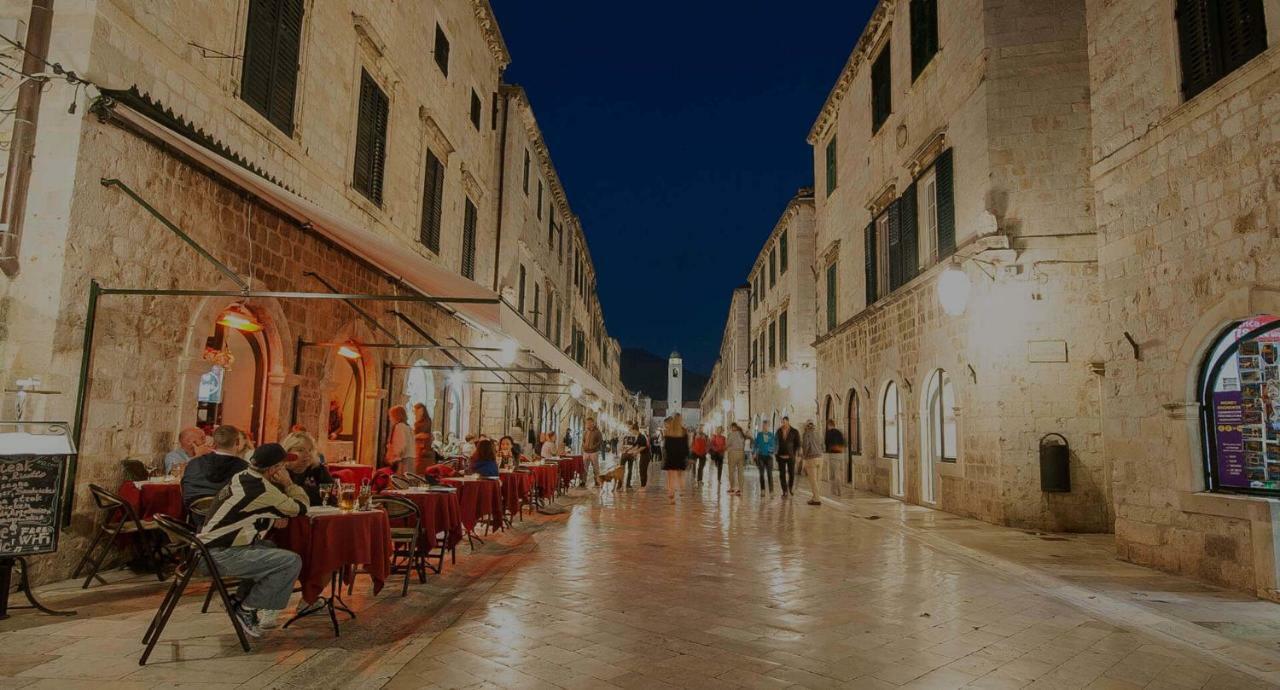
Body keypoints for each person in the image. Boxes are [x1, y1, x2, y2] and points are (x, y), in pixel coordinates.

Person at [198, 443, 308, 637]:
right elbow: (300, 508)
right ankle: (247, 608)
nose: (285, 469)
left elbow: (246, 511)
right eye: (283, 465)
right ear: (274, 469)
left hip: (205, 549)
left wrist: (271, 518)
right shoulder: (262, 489)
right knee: (290, 561)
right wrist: (289, 484)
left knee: (268, 547)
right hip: (217, 555)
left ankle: (240, 600)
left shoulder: (244, 476)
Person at [182, 425, 249, 511]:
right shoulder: (244, 468)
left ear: (215, 442)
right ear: (237, 442)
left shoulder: (193, 464)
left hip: (197, 517)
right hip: (228, 519)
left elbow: (186, 492)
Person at [281, 431, 333, 505]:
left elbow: (332, 496)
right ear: (288, 451)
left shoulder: (317, 469)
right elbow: (283, 500)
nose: (307, 454)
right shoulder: (280, 471)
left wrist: (297, 491)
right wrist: (315, 492)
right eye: (300, 450)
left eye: (310, 450)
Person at [662, 415, 690, 504]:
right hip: (680, 457)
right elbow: (686, 447)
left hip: (671, 456)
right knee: (680, 475)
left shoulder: (668, 431)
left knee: (671, 476)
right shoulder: (684, 432)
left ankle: (671, 494)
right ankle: (681, 488)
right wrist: (687, 457)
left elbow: (666, 446)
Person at [776, 417, 801, 499]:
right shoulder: (778, 431)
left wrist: (797, 455)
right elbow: (775, 442)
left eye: (785, 422)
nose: (783, 424)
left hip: (791, 456)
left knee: (791, 474)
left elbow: (798, 444)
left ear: (788, 422)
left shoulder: (794, 431)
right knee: (782, 474)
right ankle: (784, 491)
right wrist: (775, 452)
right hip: (780, 456)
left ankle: (790, 488)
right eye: (782, 422)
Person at [801, 420, 825, 506]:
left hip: (811, 459)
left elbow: (806, 446)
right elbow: (823, 445)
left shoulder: (806, 434)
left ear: (806, 426)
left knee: (813, 480)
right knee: (818, 480)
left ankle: (817, 499)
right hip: (820, 458)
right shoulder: (819, 433)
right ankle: (815, 497)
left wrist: (804, 457)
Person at [385, 406, 414, 470]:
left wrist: (393, 456)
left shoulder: (399, 427)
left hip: (402, 460)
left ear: (396, 416)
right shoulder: (408, 427)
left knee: (399, 478)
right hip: (410, 459)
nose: (390, 419)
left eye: (390, 416)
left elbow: (400, 445)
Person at [753, 421, 777, 495]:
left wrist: (772, 451)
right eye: (763, 426)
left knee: (770, 474)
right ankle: (762, 490)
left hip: (769, 457)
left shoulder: (771, 435)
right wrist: (754, 453)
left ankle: (771, 491)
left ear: (768, 426)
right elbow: (755, 445)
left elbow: (774, 445)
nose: (765, 427)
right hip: (761, 456)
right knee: (761, 474)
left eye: (766, 426)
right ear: (762, 426)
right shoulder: (759, 435)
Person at [725, 423, 749, 496]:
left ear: (733, 427)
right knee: (740, 472)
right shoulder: (742, 434)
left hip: (733, 453)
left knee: (731, 471)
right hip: (741, 453)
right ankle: (740, 489)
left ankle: (732, 487)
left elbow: (727, 444)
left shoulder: (732, 434)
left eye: (730, 427)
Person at [413, 403, 435, 475]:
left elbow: (425, 434)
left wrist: (416, 436)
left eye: (418, 410)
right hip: (419, 447)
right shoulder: (417, 421)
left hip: (423, 447)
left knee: (421, 467)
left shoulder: (427, 420)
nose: (416, 412)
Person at [621, 423, 645, 489]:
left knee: (630, 470)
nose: (629, 428)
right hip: (625, 453)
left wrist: (635, 454)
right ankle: (620, 484)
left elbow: (637, 445)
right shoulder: (624, 433)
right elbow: (620, 442)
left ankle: (627, 484)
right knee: (621, 469)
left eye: (630, 426)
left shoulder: (635, 435)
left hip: (631, 454)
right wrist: (621, 450)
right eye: (628, 426)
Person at [582, 418, 604, 486]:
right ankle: (583, 481)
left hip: (594, 452)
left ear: (592, 423)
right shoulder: (585, 432)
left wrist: (593, 447)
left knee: (595, 467)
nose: (587, 424)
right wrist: (583, 446)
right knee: (584, 467)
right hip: (586, 452)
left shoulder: (597, 432)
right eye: (587, 423)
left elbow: (600, 441)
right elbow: (583, 440)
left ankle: (597, 481)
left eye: (589, 422)